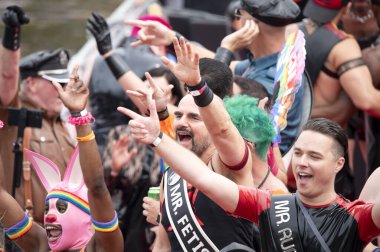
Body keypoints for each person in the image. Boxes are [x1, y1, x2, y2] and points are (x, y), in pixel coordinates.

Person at [124, 92, 380, 251]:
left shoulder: (355, 217)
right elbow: (202, 177)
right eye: (299, 153)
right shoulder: (271, 206)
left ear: (339, 164)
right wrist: (158, 138)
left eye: (314, 156)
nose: (302, 162)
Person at [126, 0, 305, 155]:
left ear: (252, 25)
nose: (236, 22)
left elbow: (209, 105)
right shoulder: (266, 62)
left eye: (238, 15)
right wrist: (170, 38)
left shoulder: (270, 79)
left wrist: (227, 47)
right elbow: (218, 62)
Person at [0, 67, 123, 251]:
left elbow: (97, 187)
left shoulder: (101, 247)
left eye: (62, 208)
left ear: (87, 219)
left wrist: (78, 115)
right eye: (48, 208)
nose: (49, 217)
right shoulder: (41, 245)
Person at [0, 6, 75, 226]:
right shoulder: (13, 117)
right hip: (29, 236)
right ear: (31, 84)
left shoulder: (64, 123)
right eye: (57, 83)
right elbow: (7, 77)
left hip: (67, 235)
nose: (63, 89)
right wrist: (12, 37)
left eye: (65, 82)